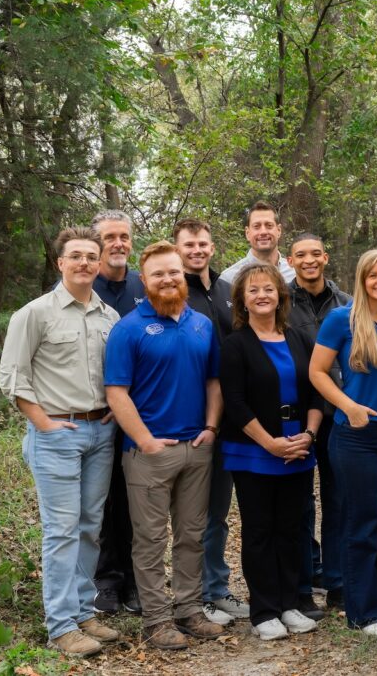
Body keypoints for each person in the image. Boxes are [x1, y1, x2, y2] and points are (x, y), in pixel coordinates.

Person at [0, 227, 122, 657]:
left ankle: (82, 612)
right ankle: (61, 627)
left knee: (90, 528)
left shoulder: (109, 316)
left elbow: (118, 373)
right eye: (77, 257)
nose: (85, 263)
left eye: (92, 256)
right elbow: (13, 377)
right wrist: (43, 423)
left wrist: (112, 408)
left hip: (100, 432)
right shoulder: (35, 313)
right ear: (60, 263)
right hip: (56, 435)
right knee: (62, 531)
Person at [104, 241, 226, 650]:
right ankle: (156, 620)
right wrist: (144, 441)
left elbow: (213, 381)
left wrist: (211, 427)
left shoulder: (201, 324)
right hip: (148, 453)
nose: (168, 278)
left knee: (192, 534)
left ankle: (189, 609)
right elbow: (116, 393)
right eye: (158, 273)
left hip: (197, 446)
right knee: (151, 539)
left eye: (173, 271)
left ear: (182, 274)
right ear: (146, 279)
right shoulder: (129, 328)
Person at [310, 249, 377, 638]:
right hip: (355, 436)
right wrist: (349, 405)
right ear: (361, 278)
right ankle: (364, 611)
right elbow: (317, 372)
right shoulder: (342, 319)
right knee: (362, 524)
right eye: (373, 276)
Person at [219, 263, 323, 640]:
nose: (261, 295)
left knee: (291, 529)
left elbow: (315, 392)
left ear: (280, 295)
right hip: (254, 452)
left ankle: (289, 604)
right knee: (260, 531)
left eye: (268, 289)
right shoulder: (235, 344)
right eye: (253, 290)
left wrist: (309, 435)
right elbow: (235, 402)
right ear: (242, 300)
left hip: (297, 449)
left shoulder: (297, 339)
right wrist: (269, 443)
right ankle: (264, 611)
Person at [172, 218, 249, 625]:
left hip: (232, 419)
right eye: (189, 245)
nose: (197, 250)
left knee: (217, 511)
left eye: (203, 243)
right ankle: (192, 594)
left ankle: (216, 589)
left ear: (213, 247)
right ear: (177, 248)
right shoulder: (172, 295)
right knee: (191, 515)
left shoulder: (227, 292)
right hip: (187, 420)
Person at [287, 233, 351, 616]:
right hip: (295, 416)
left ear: (325, 258)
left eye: (315, 253)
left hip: (339, 414)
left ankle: (339, 582)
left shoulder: (346, 303)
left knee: (339, 501)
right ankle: (304, 581)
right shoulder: (281, 303)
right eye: (300, 255)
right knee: (298, 503)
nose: (309, 260)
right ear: (291, 261)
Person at [88, 210, 145, 616]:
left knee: (133, 503)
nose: (119, 243)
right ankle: (106, 582)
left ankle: (134, 582)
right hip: (95, 414)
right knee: (101, 503)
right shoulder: (82, 283)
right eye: (111, 237)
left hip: (140, 414)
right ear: (97, 242)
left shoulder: (144, 285)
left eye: (124, 236)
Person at [219, 200, 296, 285]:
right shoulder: (229, 279)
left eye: (269, 226)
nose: (263, 232)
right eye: (256, 226)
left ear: (279, 230)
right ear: (247, 233)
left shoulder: (295, 273)